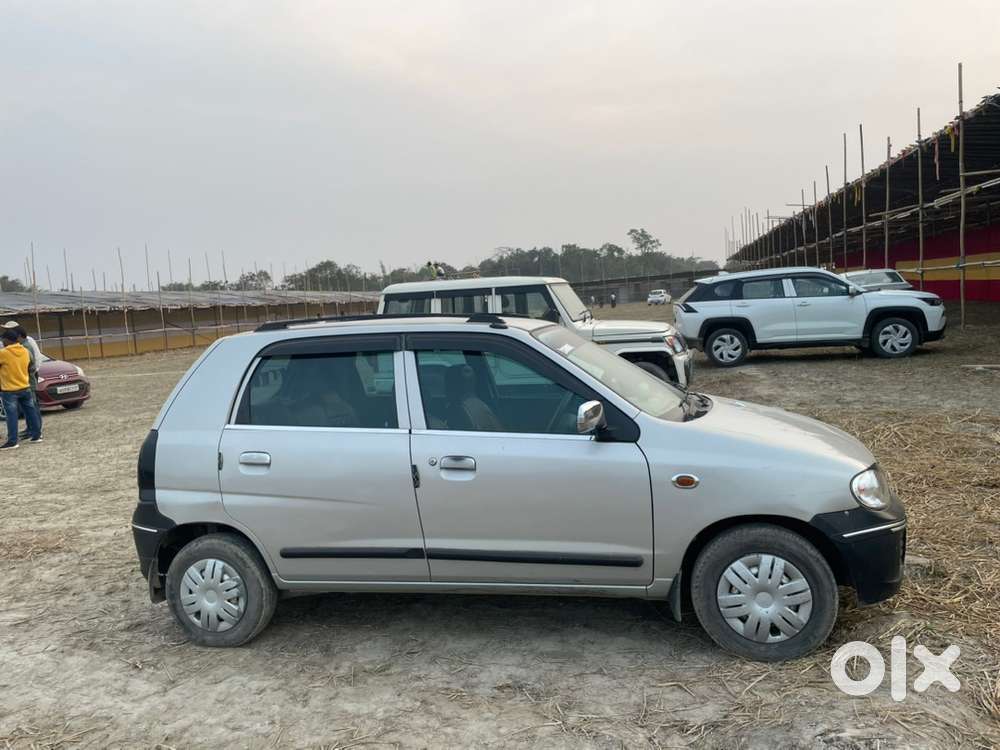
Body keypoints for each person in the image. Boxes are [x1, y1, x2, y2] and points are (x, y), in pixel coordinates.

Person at [0, 328, 42, 448]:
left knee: (12, 416)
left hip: (9, 390)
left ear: (7, 340)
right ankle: (37, 435)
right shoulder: (25, 351)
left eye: (3, 339)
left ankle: (12, 441)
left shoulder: (3, 353)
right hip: (25, 386)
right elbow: (32, 367)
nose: (2, 342)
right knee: (31, 412)